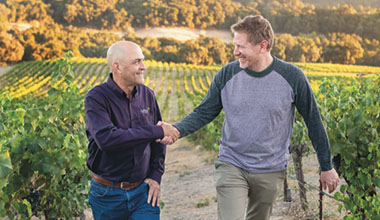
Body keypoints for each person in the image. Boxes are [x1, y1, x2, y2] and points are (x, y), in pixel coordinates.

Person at [166, 15, 340, 220]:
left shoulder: (293, 77)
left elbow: (313, 121)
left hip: (270, 169)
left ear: (262, 46)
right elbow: (204, 112)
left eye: (241, 46)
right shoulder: (227, 74)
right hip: (232, 163)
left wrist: (326, 166)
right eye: (235, 45)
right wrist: (177, 130)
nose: (235, 52)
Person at [84, 41, 179, 219]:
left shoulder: (147, 95)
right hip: (107, 195)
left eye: (142, 60)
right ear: (117, 67)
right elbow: (107, 139)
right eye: (137, 62)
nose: (143, 66)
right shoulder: (96, 98)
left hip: (143, 193)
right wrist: (157, 131)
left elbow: (158, 142)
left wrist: (156, 175)